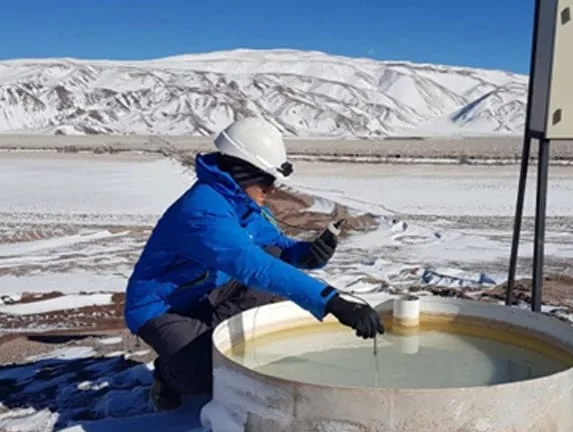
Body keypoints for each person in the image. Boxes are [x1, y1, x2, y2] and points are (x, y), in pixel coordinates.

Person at [123, 117, 384, 410]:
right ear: (243, 171)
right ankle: (168, 375)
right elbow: (254, 267)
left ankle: (213, 339)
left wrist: (306, 254)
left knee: (270, 268)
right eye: (267, 180)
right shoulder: (203, 212)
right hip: (163, 307)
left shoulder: (240, 204)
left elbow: (276, 246)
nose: (272, 189)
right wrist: (332, 302)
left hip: (210, 289)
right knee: (203, 373)